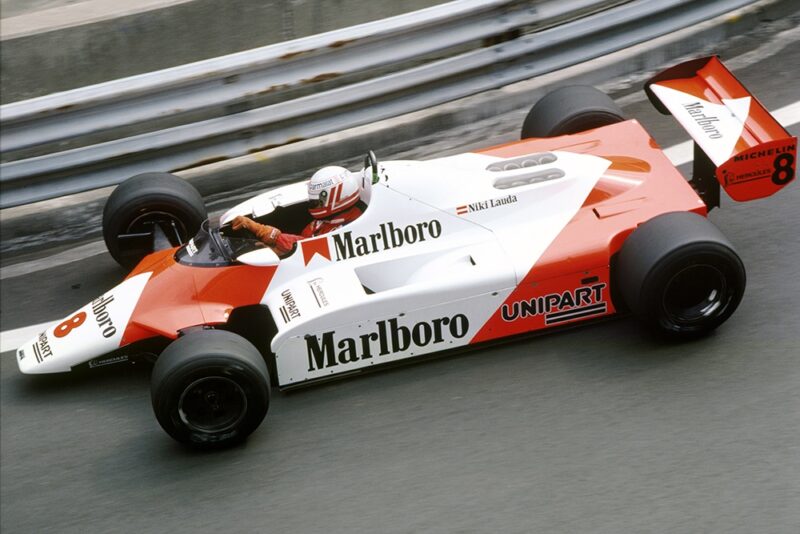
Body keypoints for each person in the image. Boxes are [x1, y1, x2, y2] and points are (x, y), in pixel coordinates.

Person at [231, 166, 365, 256]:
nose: (313, 205)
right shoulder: (328, 220)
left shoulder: (349, 228)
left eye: (316, 202)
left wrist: (265, 232)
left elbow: (309, 248)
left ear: (338, 198)